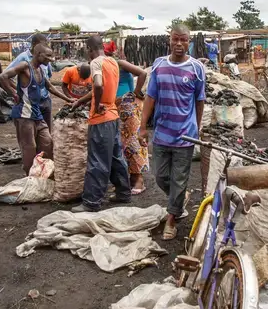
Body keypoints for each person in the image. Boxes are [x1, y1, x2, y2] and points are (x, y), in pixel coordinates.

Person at [140, 24, 206, 240]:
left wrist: (196, 127)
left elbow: (199, 100)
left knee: (179, 179)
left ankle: (171, 219)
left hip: (185, 135)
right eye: (175, 39)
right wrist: (142, 127)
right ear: (169, 40)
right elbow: (150, 98)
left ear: (189, 42)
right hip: (162, 134)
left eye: (184, 40)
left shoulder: (196, 68)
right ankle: (178, 199)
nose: (179, 44)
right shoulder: (158, 65)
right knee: (160, 177)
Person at [70, 36, 132, 212]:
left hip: (100, 119)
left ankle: (91, 202)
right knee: (115, 157)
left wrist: (96, 107)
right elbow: (102, 87)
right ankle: (123, 193)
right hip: (113, 116)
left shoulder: (95, 63)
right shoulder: (112, 61)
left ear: (89, 48)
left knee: (97, 161)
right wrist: (80, 101)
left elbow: (98, 86)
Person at [0, 45, 73, 173]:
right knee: (29, 148)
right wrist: (13, 93)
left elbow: (50, 87)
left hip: (37, 114)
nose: (51, 59)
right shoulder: (25, 66)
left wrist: (68, 99)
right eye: (48, 56)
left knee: (48, 143)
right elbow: (2, 77)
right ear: (38, 54)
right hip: (24, 115)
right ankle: (31, 178)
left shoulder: (40, 70)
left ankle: (45, 175)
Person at [113, 55, 149, 194]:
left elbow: (142, 73)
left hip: (128, 107)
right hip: (117, 108)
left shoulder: (120, 63)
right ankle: (131, 178)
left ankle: (139, 179)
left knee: (133, 142)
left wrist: (135, 92)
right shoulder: (107, 66)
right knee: (122, 144)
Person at [8, 33, 54, 132]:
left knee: (46, 133)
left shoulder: (46, 58)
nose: (45, 48)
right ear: (34, 46)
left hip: (45, 100)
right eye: (42, 45)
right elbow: (6, 76)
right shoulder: (23, 59)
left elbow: (48, 77)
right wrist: (17, 92)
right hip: (30, 103)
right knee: (30, 133)